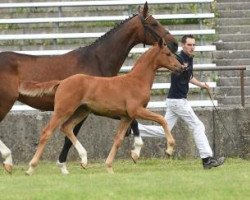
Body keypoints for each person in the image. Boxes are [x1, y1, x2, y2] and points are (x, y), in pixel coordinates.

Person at [135, 34, 225, 169]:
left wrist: (201, 85)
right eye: (189, 45)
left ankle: (134, 129)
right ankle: (207, 159)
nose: (192, 47)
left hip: (174, 100)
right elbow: (178, 70)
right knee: (198, 126)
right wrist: (183, 68)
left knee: (163, 131)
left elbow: (189, 77)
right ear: (183, 45)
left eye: (194, 45)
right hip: (178, 101)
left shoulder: (189, 58)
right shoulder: (178, 58)